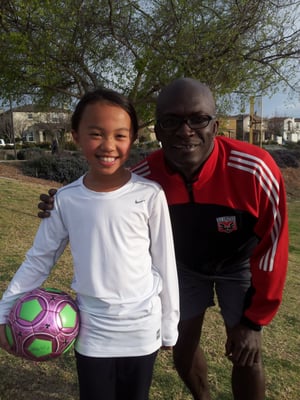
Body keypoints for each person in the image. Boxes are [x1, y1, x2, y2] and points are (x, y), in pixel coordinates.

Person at [36, 78, 289, 400]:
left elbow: (274, 247)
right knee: (182, 348)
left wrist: (255, 321)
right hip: (183, 266)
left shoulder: (254, 169)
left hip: (238, 265)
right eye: (171, 121)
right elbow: (101, 190)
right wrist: (59, 200)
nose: (185, 131)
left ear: (215, 124)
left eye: (198, 119)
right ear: (157, 131)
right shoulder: (144, 178)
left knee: (245, 352)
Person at [0, 88, 179, 400]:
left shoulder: (150, 194)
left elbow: (165, 262)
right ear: (76, 136)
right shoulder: (66, 199)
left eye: (120, 135)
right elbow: (39, 259)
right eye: (96, 134)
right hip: (93, 330)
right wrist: (3, 314)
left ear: (133, 139)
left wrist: (169, 325)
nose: (108, 145)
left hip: (141, 328)